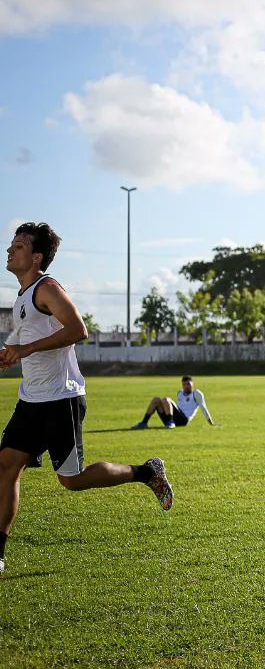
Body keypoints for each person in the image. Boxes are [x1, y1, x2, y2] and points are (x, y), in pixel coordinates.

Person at [0, 223, 173, 576]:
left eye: (18, 246)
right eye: (10, 245)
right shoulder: (21, 296)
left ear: (36, 258)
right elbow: (31, 343)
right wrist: (12, 354)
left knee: (71, 480)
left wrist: (25, 348)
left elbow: (78, 329)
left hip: (61, 399)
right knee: (5, 468)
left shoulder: (46, 288)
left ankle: (146, 472)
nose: (9, 251)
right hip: (31, 400)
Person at [131, 375, 215, 429]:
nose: (186, 386)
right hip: (174, 417)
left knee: (166, 399)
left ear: (193, 384)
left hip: (184, 420)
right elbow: (177, 407)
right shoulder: (180, 393)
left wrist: (211, 423)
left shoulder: (196, 394)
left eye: (188, 384)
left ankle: (170, 423)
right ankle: (144, 423)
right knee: (156, 399)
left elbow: (204, 408)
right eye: (184, 384)